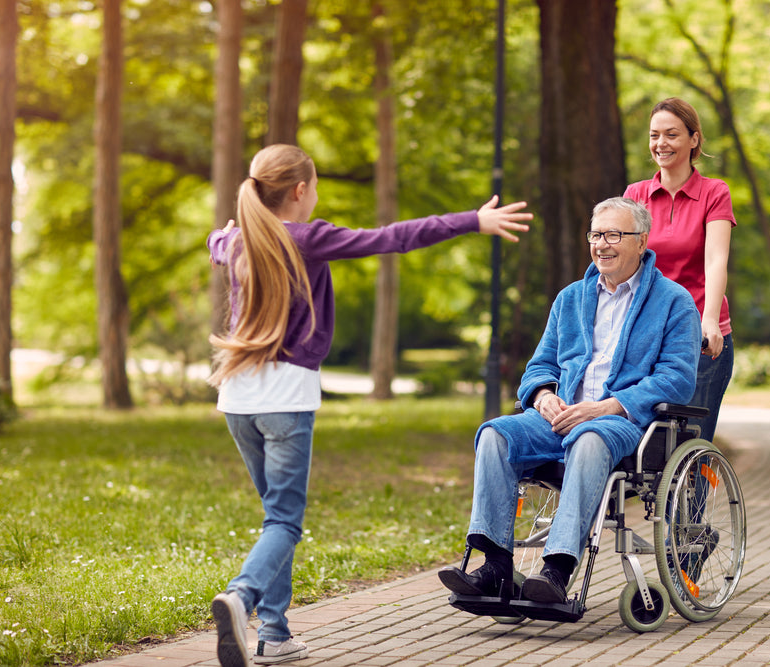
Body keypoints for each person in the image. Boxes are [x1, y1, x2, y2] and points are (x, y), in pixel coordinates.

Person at [206, 143, 532, 667]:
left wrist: (225, 232)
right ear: (299, 191)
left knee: (274, 518)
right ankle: (241, 599)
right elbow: (393, 238)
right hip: (285, 398)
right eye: (314, 187)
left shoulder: (235, 242)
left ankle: (275, 632)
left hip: (238, 398)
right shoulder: (307, 238)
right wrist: (473, 219)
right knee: (285, 522)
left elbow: (214, 241)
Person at [438, 197, 700, 605]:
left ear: (641, 241)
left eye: (614, 235)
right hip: (557, 417)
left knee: (590, 438)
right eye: (596, 235)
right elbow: (539, 365)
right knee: (494, 434)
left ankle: (556, 572)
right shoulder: (570, 298)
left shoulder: (674, 302)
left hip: (620, 423)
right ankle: (495, 566)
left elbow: (678, 378)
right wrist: (542, 395)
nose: (602, 245)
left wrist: (609, 406)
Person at [622, 97, 736, 445]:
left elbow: (716, 259)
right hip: (646, 334)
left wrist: (710, 320)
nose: (661, 144)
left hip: (700, 335)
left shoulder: (713, 192)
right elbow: (623, 265)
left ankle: (692, 502)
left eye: (671, 134)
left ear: (694, 139)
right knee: (639, 444)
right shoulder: (635, 194)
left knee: (691, 445)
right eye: (655, 135)